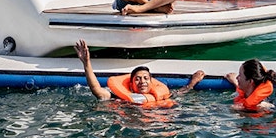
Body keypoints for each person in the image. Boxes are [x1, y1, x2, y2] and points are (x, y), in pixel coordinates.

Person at [75, 39, 203, 106]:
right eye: (138, 79)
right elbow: (96, 89)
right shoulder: (120, 98)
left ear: (151, 82)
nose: (142, 82)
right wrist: (86, 64)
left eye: (145, 78)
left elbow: (183, 91)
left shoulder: (161, 96)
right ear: (131, 84)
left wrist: (193, 81)